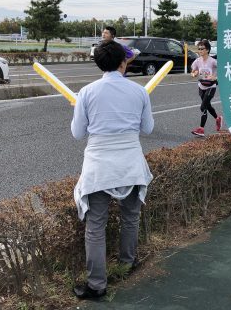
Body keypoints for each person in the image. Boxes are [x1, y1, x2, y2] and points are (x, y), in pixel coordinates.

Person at [71, 40, 154, 300]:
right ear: (123, 62)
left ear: (99, 64)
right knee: (130, 217)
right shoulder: (139, 91)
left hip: (99, 165)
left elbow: (77, 133)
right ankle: (128, 264)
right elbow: (148, 128)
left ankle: (96, 284)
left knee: (95, 225)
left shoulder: (86, 92)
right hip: (130, 162)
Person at [190, 39, 222, 137]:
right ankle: (218, 118)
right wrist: (194, 73)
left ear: (207, 50)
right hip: (201, 86)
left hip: (211, 86)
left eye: (202, 49)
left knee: (203, 107)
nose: (200, 50)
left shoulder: (212, 61)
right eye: (199, 49)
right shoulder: (197, 61)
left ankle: (201, 129)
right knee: (208, 106)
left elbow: (223, 69)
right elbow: (193, 71)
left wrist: (215, 77)